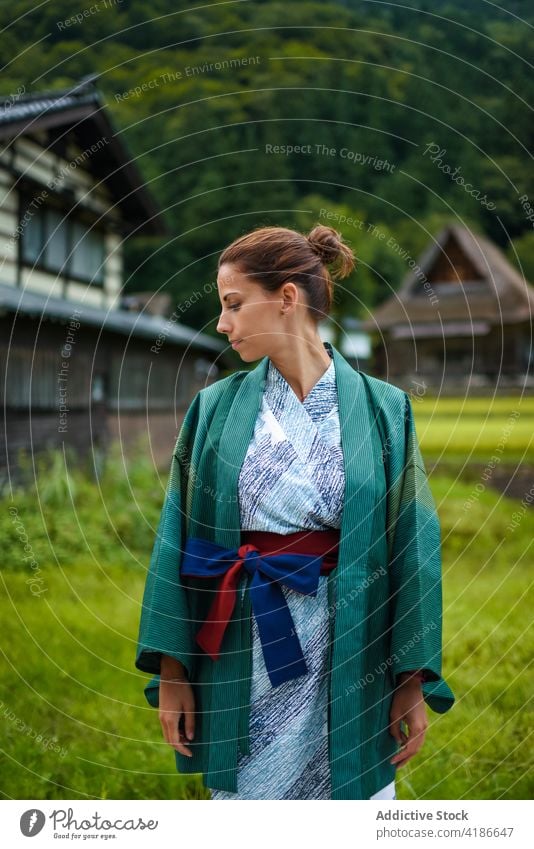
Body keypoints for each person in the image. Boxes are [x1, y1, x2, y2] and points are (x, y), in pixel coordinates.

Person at [135, 224, 455, 800]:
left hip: (350, 642)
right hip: (242, 641)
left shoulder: (385, 410)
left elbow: (412, 544)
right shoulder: (214, 408)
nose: (222, 323)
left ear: (287, 297)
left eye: (233, 304)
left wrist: (409, 678)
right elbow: (174, 538)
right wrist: (174, 674)